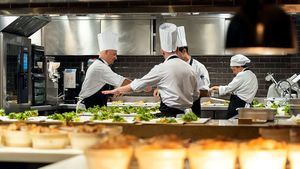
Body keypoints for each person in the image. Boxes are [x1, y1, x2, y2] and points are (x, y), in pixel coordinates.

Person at [103, 23, 199, 117]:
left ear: (162, 52)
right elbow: (196, 95)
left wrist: (118, 90)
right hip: (188, 115)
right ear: (177, 49)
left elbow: (138, 84)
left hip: (169, 115)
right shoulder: (190, 68)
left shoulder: (162, 68)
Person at [78, 32, 131, 108]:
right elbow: (122, 82)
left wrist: (115, 91)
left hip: (94, 105)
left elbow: (98, 88)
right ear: (106, 52)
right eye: (114, 54)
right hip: (89, 106)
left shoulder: (101, 65)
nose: (116, 57)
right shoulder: (100, 67)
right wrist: (141, 85)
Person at [210, 54, 258, 119]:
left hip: (238, 105)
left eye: (234, 69)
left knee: (232, 124)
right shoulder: (251, 74)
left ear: (239, 67)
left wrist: (215, 87)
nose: (233, 72)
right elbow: (240, 90)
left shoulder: (242, 75)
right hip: (245, 105)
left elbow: (229, 88)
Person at [176, 26, 210, 116]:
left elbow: (204, 91)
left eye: (176, 54)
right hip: (176, 107)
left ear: (183, 51)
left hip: (193, 107)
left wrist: (189, 95)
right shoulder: (174, 66)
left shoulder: (199, 67)